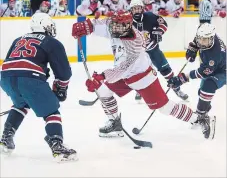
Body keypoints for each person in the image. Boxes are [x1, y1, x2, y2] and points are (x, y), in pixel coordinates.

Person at [71, 11, 215, 140]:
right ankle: (114, 122)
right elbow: (100, 24)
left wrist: (102, 77)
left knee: (165, 108)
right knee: (103, 91)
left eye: (118, 26)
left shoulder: (136, 41)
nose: (113, 28)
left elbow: (123, 68)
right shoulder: (115, 26)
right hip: (124, 77)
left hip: (143, 78)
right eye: (114, 24)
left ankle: (198, 118)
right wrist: (86, 25)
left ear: (127, 26)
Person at [0, 13, 77, 162]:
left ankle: (6, 138)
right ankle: (57, 145)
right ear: (46, 26)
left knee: (21, 103)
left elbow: (13, 61)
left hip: (5, 77)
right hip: (29, 79)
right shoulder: (52, 42)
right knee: (51, 110)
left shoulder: (19, 39)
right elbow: (64, 72)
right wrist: (61, 88)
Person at [168, 23, 225, 139]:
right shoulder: (204, 34)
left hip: (223, 71)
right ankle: (203, 112)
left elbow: (201, 73)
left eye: (205, 41)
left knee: (208, 86)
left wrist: (181, 79)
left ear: (211, 38)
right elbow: (197, 39)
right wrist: (193, 47)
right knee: (202, 93)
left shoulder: (214, 54)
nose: (201, 43)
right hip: (213, 68)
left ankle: (202, 115)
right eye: (200, 40)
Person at [129, 0, 188, 101]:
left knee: (166, 70)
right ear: (131, 10)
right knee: (138, 73)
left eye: (139, 8)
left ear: (142, 9)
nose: (137, 11)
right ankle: (140, 90)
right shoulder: (127, 21)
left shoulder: (150, 16)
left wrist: (159, 31)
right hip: (138, 53)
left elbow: (163, 23)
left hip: (153, 49)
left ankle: (176, 88)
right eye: (135, 9)